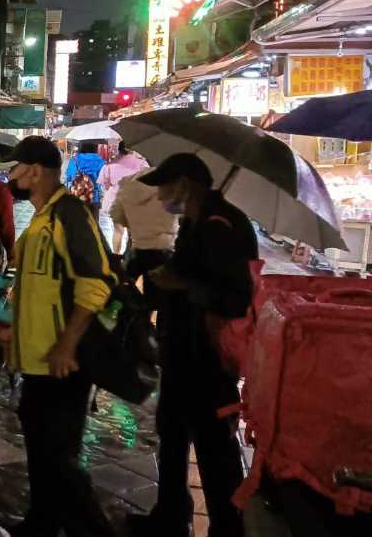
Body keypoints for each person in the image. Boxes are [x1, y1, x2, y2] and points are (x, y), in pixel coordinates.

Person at [127, 154, 255, 537]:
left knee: (216, 449)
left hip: (209, 359)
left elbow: (236, 298)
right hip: (181, 349)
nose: (162, 195)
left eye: (165, 186)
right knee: (172, 433)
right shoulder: (193, 222)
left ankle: (227, 527)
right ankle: (170, 516)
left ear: (184, 184)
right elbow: (184, 269)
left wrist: (181, 285)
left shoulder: (222, 226)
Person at [0, 136, 116, 537]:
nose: (10, 176)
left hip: (62, 361)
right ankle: (42, 522)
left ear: (34, 171)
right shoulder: (42, 217)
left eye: (14, 168)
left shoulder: (71, 214)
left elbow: (96, 283)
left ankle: (92, 531)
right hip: (35, 358)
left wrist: (67, 343)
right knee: (40, 450)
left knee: (60, 458)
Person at [108, 171, 176, 285]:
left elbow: (118, 216)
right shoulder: (172, 184)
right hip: (167, 249)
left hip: (139, 248)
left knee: (126, 285)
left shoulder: (130, 184)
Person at [98, 143, 148, 253]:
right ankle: (131, 259)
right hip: (134, 201)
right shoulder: (141, 164)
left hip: (115, 202)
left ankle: (116, 258)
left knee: (118, 231)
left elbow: (105, 186)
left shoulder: (109, 165)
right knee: (133, 234)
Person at [64, 140, 106, 218]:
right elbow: (104, 182)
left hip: (77, 196)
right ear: (95, 147)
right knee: (94, 225)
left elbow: (69, 178)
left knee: (77, 225)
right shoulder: (102, 162)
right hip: (94, 197)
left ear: (81, 146)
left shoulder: (75, 160)